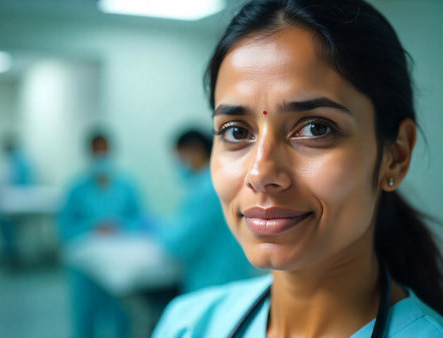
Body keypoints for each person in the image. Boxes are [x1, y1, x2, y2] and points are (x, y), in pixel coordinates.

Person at [152, 0, 443, 337]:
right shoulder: (188, 324)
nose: (260, 173)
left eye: (316, 128)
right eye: (236, 131)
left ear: (396, 155)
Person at [59, 131, 143, 338]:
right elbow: (64, 228)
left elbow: (139, 220)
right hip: (86, 269)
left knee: (121, 316)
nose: (101, 154)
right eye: (97, 150)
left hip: (119, 262)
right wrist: (92, 227)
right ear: (89, 153)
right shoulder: (76, 189)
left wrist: (119, 225)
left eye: (104, 149)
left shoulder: (127, 186)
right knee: (85, 319)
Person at [155, 129, 256, 293]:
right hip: (235, 279)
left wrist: (159, 230)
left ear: (194, 150)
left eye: (180, 157)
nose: (179, 164)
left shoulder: (207, 191)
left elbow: (179, 244)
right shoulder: (222, 183)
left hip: (213, 284)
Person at [0, 136, 33, 267]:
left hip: (19, 201)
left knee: (6, 222)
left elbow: (23, 183)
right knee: (2, 220)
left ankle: (12, 252)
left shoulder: (21, 161)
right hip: (13, 201)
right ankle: (10, 251)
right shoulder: (13, 161)